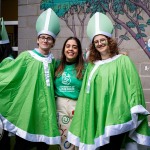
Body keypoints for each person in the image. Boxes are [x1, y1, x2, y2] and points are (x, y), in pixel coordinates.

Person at [67, 12, 150, 150]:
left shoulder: (123, 61)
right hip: (99, 115)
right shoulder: (93, 66)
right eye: (96, 41)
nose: (99, 43)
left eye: (102, 40)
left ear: (109, 40)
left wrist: (135, 106)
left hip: (119, 116)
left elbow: (134, 85)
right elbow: (87, 93)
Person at [0, 8, 61, 150]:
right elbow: (10, 72)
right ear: (37, 39)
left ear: (53, 42)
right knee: (22, 145)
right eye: (43, 37)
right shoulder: (27, 56)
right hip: (27, 109)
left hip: (45, 111)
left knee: (43, 145)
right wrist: (6, 62)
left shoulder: (53, 61)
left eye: (49, 38)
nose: (45, 40)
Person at [54, 37, 86, 150]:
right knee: (64, 140)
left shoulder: (85, 67)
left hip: (78, 105)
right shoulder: (56, 65)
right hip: (60, 106)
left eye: (74, 47)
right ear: (64, 49)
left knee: (79, 140)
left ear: (79, 50)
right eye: (68, 46)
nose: (71, 49)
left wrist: (118, 55)